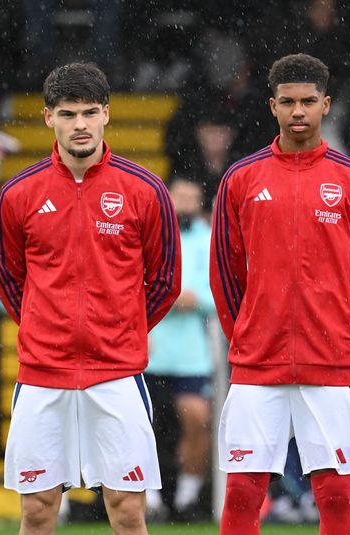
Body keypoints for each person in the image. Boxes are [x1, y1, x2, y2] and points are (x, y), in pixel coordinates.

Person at [0, 62, 181, 535]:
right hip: (43, 374)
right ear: (47, 117)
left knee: (127, 508)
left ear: (107, 115)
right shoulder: (18, 194)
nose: (80, 124)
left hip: (116, 373)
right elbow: (9, 279)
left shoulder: (145, 189)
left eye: (90, 112)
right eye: (69, 113)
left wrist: (120, 326)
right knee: (36, 510)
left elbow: (165, 279)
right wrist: (45, 324)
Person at [210, 53, 350, 535]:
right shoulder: (241, 179)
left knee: (335, 493)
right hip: (257, 362)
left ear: (326, 105)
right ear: (272, 106)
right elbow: (225, 276)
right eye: (287, 102)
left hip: (330, 361)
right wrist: (246, 336)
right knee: (244, 491)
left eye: (309, 101)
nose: (298, 111)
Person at [144, 177, 215, 520]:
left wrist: (196, 298)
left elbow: (221, 292)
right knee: (144, 426)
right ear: (167, 200)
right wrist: (166, 297)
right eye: (180, 197)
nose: (185, 204)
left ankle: (187, 498)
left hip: (190, 356)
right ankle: (151, 499)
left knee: (198, 421)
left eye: (192, 198)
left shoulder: (208, 239)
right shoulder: (150, 235)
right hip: (150, 352)